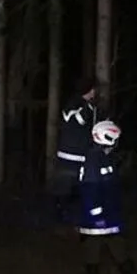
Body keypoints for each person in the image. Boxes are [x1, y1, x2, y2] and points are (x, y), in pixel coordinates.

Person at [77, 120, 137, 274]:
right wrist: (97, 214)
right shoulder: (93, 160)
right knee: (93, 254)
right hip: (95, 220)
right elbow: (90, 189)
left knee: (119, 248)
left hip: (109, 216)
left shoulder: (103, 157)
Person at [51, 76, 102, 225]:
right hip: (73, 157)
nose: (95, 92)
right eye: (93, 89)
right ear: (90, 90)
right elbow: (78, 120)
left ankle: (69, 219)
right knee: (67, 191)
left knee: (71, 192)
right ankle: (62, 219)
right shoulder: (77, 106)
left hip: (75, 156)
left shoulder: (81, 106)